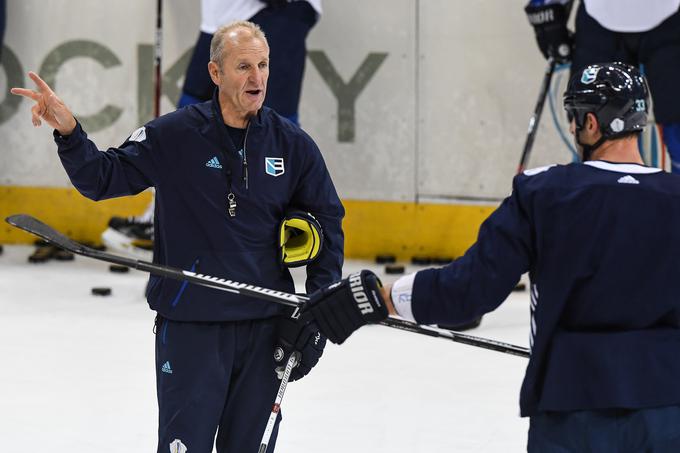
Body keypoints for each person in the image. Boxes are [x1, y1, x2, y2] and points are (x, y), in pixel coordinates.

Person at [305, 63, 680, 451]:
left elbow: (468, 290)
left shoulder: (544, 193)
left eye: (573, 118)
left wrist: (379, 299)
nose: (571, 129)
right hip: (670, 406)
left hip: (573, 403)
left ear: (589, 122)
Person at [11, 21, 344, 453]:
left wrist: (314, 317)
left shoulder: (294, 145)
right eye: (243, 66)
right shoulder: (174, 135)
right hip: (192, 331)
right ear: (215, 73)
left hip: (267, 332)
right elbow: (102, 177)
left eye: (263, 65)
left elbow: (328, 224)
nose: (257, 78)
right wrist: (70, 133)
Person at [105, 0, 322, 254]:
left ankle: (299, 226)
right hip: (221, 18)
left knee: (271, 128)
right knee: (191, 120)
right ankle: (162, 218)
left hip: (278, 11)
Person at [524, 0, 680, 173]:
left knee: (677, 132)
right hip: (600, 20)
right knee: (593, 131)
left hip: (670, 20)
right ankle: (596, 196)